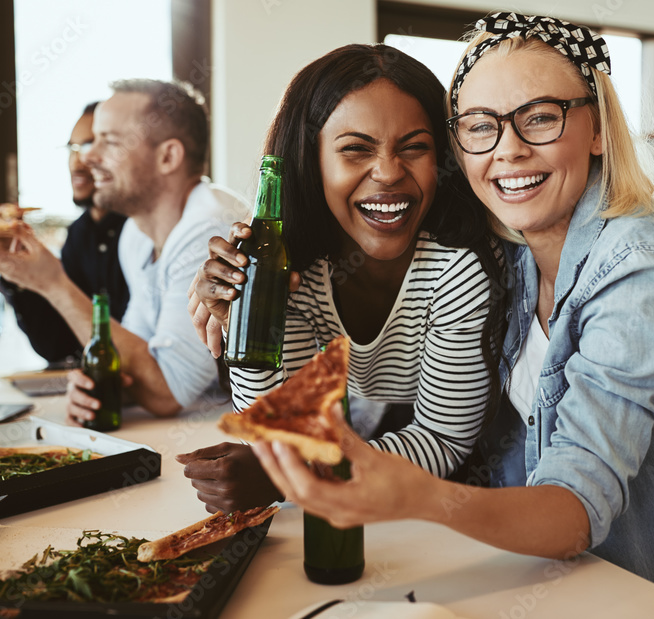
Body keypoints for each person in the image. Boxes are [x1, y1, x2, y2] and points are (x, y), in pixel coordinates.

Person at [249, 14, 654, 619]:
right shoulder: (510, 248)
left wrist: (419, 495)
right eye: (480, 126)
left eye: (540, 116)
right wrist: (246, 299)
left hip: (652, 594)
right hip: (543, 579)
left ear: (596, 128)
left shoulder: (639, 274)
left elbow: (574, 507)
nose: (509, 149)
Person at [180, 44, 506, 513]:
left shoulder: (457, 267)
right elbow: (280, 425)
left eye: (415, 147)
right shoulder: (290, 265)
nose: (389, 173)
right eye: (356, 149)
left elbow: (443, 440)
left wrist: (288, 478)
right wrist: (245, 326)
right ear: (309, 161)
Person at [0, 79, 247, 421]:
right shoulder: (136, 235)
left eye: (108, 142)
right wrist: (102, 385)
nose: (87, 156)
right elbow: (136, 355)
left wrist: (52, 282)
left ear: (168, 156)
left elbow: (170, 389)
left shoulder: (210, 230)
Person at [0, 102, 129, 365]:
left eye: (89, 146)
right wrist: (17, 266)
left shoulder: (143, 231)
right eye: (72, 148)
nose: (77, 162)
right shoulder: (78, 234)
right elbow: (58, 346)